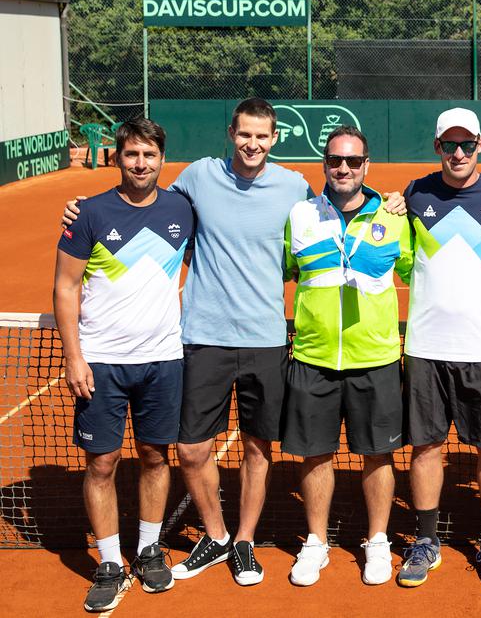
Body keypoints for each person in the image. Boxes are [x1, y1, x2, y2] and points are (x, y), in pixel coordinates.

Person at [63, 98, 403, 586]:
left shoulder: (294, 188)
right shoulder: (199, 177)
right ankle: (216, 534)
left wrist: (390, 199)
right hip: (203, 337)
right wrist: (86, 208)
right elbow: (142, 195)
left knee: (257, 448)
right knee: (191, 449)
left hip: (265, 339)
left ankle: (243, 541)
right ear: (231, 133)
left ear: (275, 138)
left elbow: (341, 204)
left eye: (262, 136)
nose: (252, 144)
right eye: (245, 134)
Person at [54, 119, 194, 611]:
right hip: (103, 363)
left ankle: (150, 548)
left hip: (163, 359)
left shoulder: (181, 208)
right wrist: (74, 356)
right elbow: (66, 287)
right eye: (132, 154)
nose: (140, 164)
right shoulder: (88, 213)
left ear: (162, 160)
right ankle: (111, 560)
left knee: (156, 457)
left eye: (150, 155)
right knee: (102, 462)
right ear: (117, 157)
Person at [280, 125, 412, 587]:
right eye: (336, 160)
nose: (344, 169)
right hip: (314, 356)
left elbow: (423, 273)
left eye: (353, 162)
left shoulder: (396, 218)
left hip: (374, 358)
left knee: (378, 455)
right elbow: (284, 269)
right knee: (315, 455)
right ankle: (316, 542)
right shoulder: (299, 215)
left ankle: (378, 541)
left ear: (366, 166)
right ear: (324, 165)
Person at [395, 108, 481, 588]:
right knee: (426, 446)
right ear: (438, 148)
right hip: (426, 345)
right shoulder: (415, 193)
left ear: (480, 145)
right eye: (450, 144)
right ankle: (426, 540)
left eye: (467, 143)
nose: (459, 153)